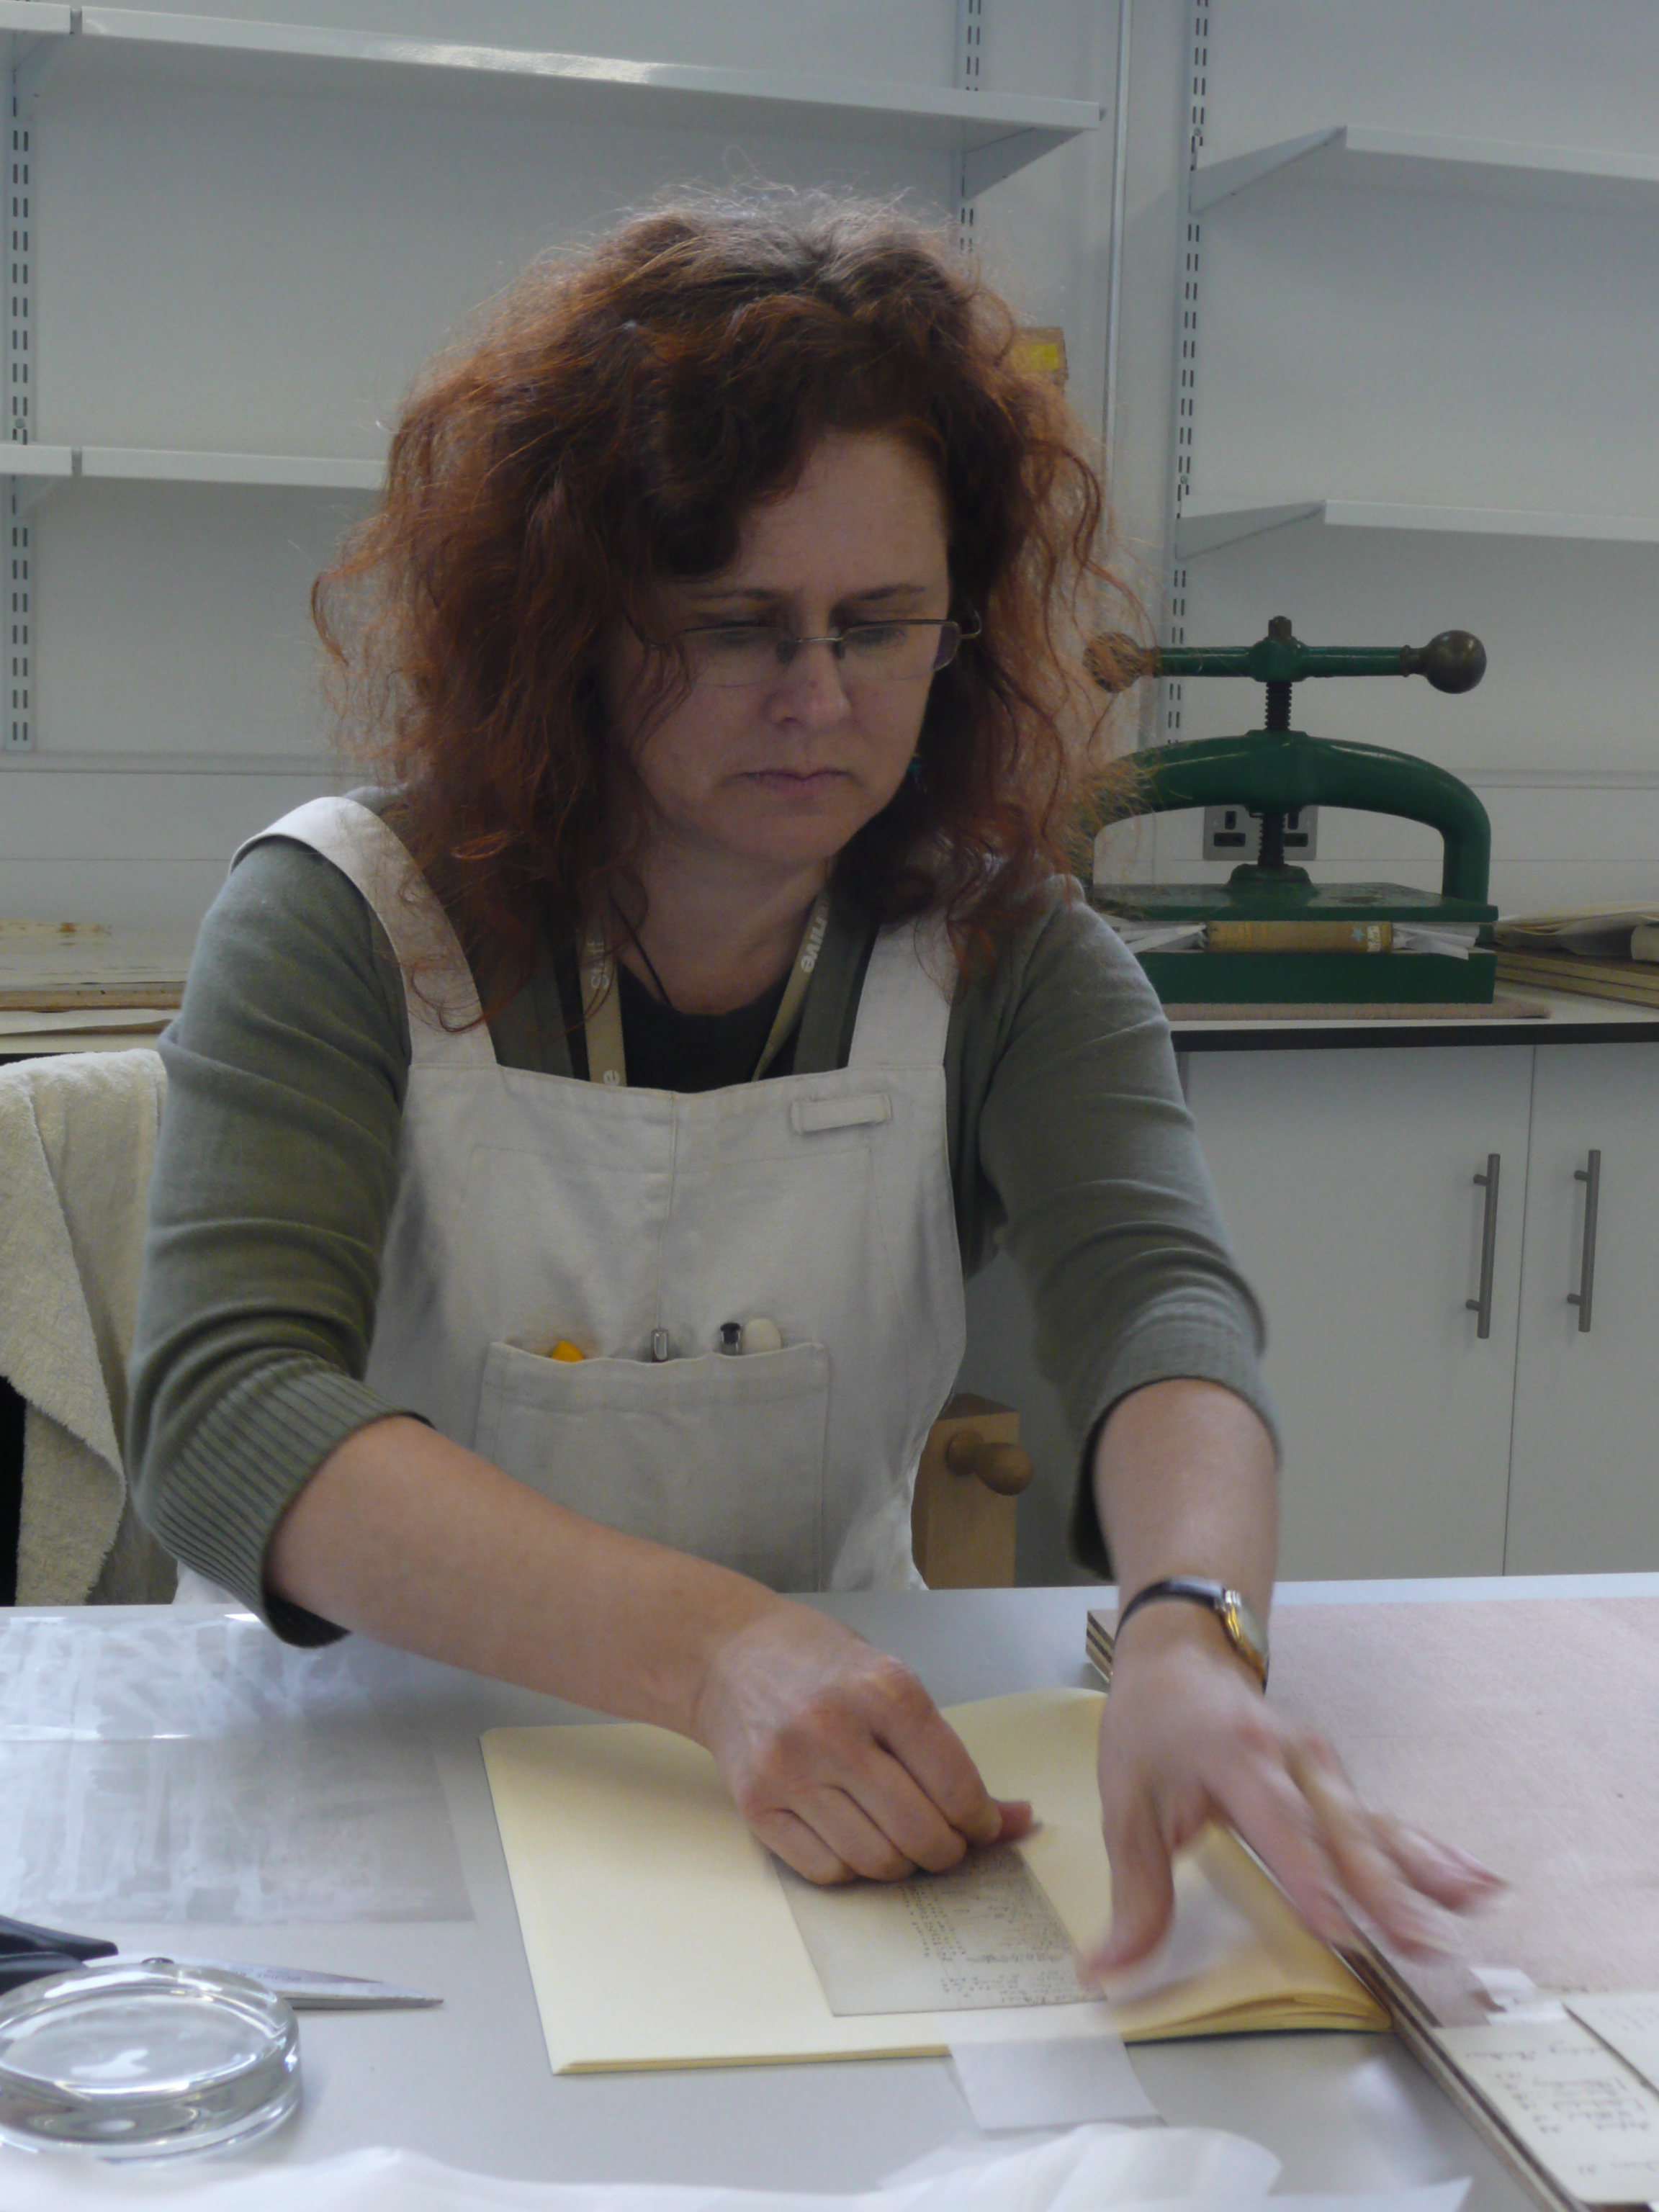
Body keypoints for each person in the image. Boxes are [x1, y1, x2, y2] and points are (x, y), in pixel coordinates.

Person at [130, 193, 1498, 1975]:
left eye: (882, 622)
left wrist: (1186, 1630)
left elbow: (1161, 1304)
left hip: (820, 1781)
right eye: (734, 622)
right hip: (375, 1766)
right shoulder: (343, 924)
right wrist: (714, 1649)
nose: (819, 696)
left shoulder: (1008, 955)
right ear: (572, 622)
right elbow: (226, 1411)